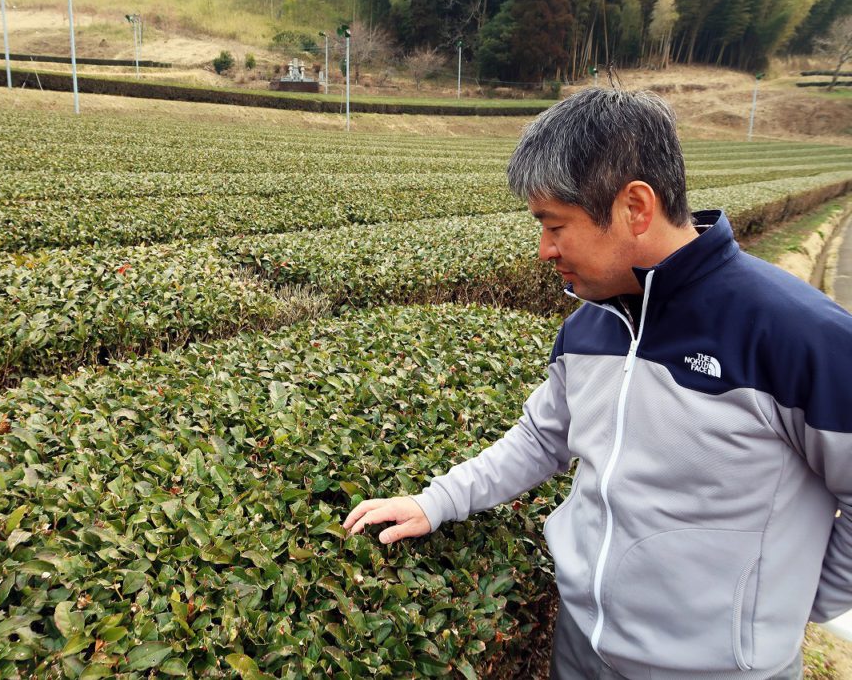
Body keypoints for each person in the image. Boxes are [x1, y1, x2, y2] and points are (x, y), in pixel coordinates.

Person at [342, 88, 852, 679]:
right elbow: (540, 439)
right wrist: (437, 501)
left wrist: (797, 604)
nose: (543, 250)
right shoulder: (591, 324)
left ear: (636, 207)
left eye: (554, 225)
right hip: (582, 644)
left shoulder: (800, 336)